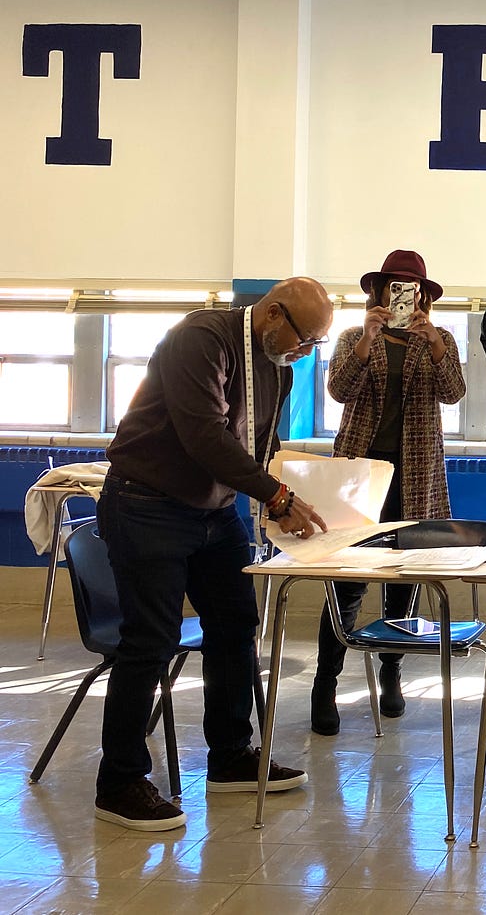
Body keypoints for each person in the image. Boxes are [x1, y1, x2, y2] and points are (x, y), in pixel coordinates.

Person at [96, 278, 332, 831]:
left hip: (210, 511)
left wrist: (277, 500)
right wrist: (275, 496)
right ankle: (120, 781)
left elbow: (261, 443)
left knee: (234, 625)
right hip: (146, 505)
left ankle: (230, 757)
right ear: (273, 314)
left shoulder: (277, 363)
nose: (305, 353)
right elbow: (204, 435)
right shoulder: (202, 339)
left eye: (315, 345)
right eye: (304, 339)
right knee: (149, 641)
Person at [310, 250, 467, 735]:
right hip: (359, 476)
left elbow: (454, 392)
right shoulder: (354, 336)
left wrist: (436, 345)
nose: (402, 293)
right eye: (394, 284)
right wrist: (366, 343)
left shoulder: (438, 340)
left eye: (411, 285)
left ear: (422, 294)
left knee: (403, 581)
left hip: (415, 475)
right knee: (347, 583)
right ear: (378, 291)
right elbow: (337, 390)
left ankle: (391, 672)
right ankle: (325, 684)